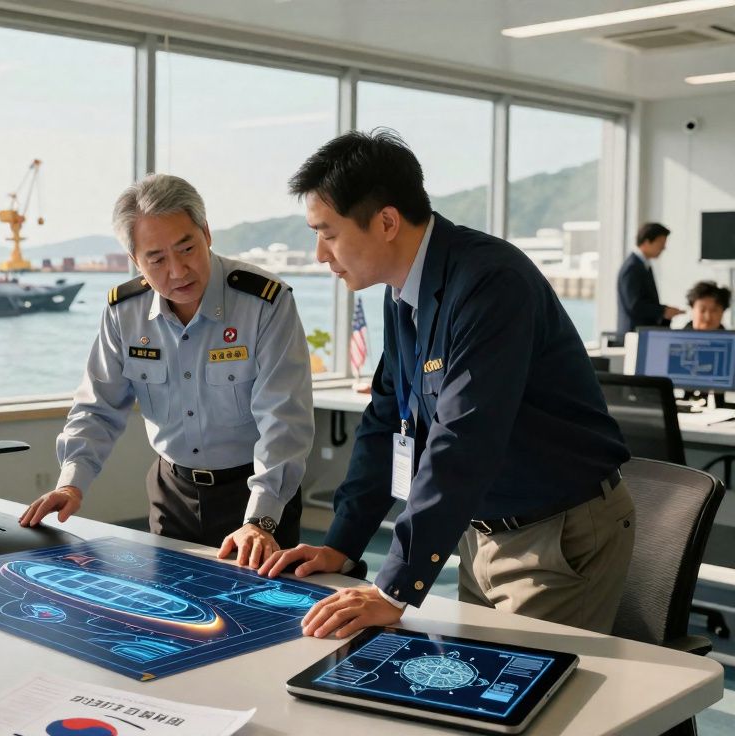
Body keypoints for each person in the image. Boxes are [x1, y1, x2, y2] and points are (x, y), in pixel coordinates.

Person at [259, 129, 634, 638]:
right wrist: (344, 545)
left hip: (554, 538)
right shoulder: (403, 294)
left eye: (327, 232)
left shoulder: (489, 283)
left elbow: (462, 439)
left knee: (527, 706)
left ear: (387, 221)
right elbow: (386, 417)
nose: (320, 254)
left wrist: (394, 590)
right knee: (475, 692)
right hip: (478, 535)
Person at [18, 174, 315, 568]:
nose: (177, 271)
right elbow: (98, 408)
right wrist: (72, 481)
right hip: (172, 493)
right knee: (175, 618)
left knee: (261, 620)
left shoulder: (263, 302)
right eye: (156, 259)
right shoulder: (125, 312)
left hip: (257, 492)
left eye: (186, 247)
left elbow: (283, 419)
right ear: (135, 261)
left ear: (207, 233)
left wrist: (260, 519)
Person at [616, 222, 682, 340]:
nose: (663, 248)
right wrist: (663, 311)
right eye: (661, 243)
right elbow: (634, 305)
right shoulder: (632, 268)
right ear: (647, 242)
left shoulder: (643, 266)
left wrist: (665, 311)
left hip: (642, 333)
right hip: (633, 335)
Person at [682, 280, 731, 407]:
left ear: (723, 312)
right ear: (692, 309)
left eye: (714, 310)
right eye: (702, 310)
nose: (708, 317)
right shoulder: (675, 342)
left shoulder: (730, 344)